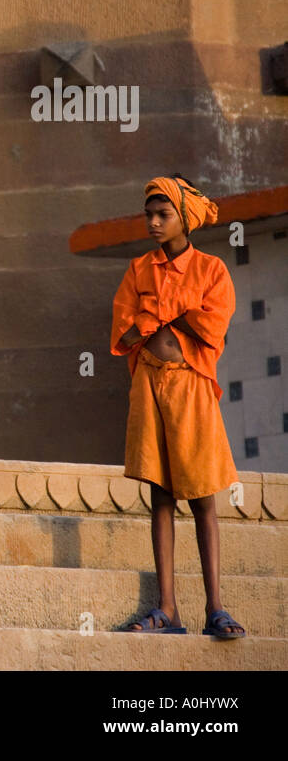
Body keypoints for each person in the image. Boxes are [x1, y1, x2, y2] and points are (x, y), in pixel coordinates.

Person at [111, 175, 245, 639]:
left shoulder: (212, 270)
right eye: (148, 214)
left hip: (192, 387)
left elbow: (211, 325)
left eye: (162, 215)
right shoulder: (137, 270)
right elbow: (124, 334)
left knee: (203, 496)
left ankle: (216, 607)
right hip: (149, 386)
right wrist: (166, 321)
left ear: (184, 219)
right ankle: (167, 608)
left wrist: (161, 322)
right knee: (161, 496)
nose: (152, 222)